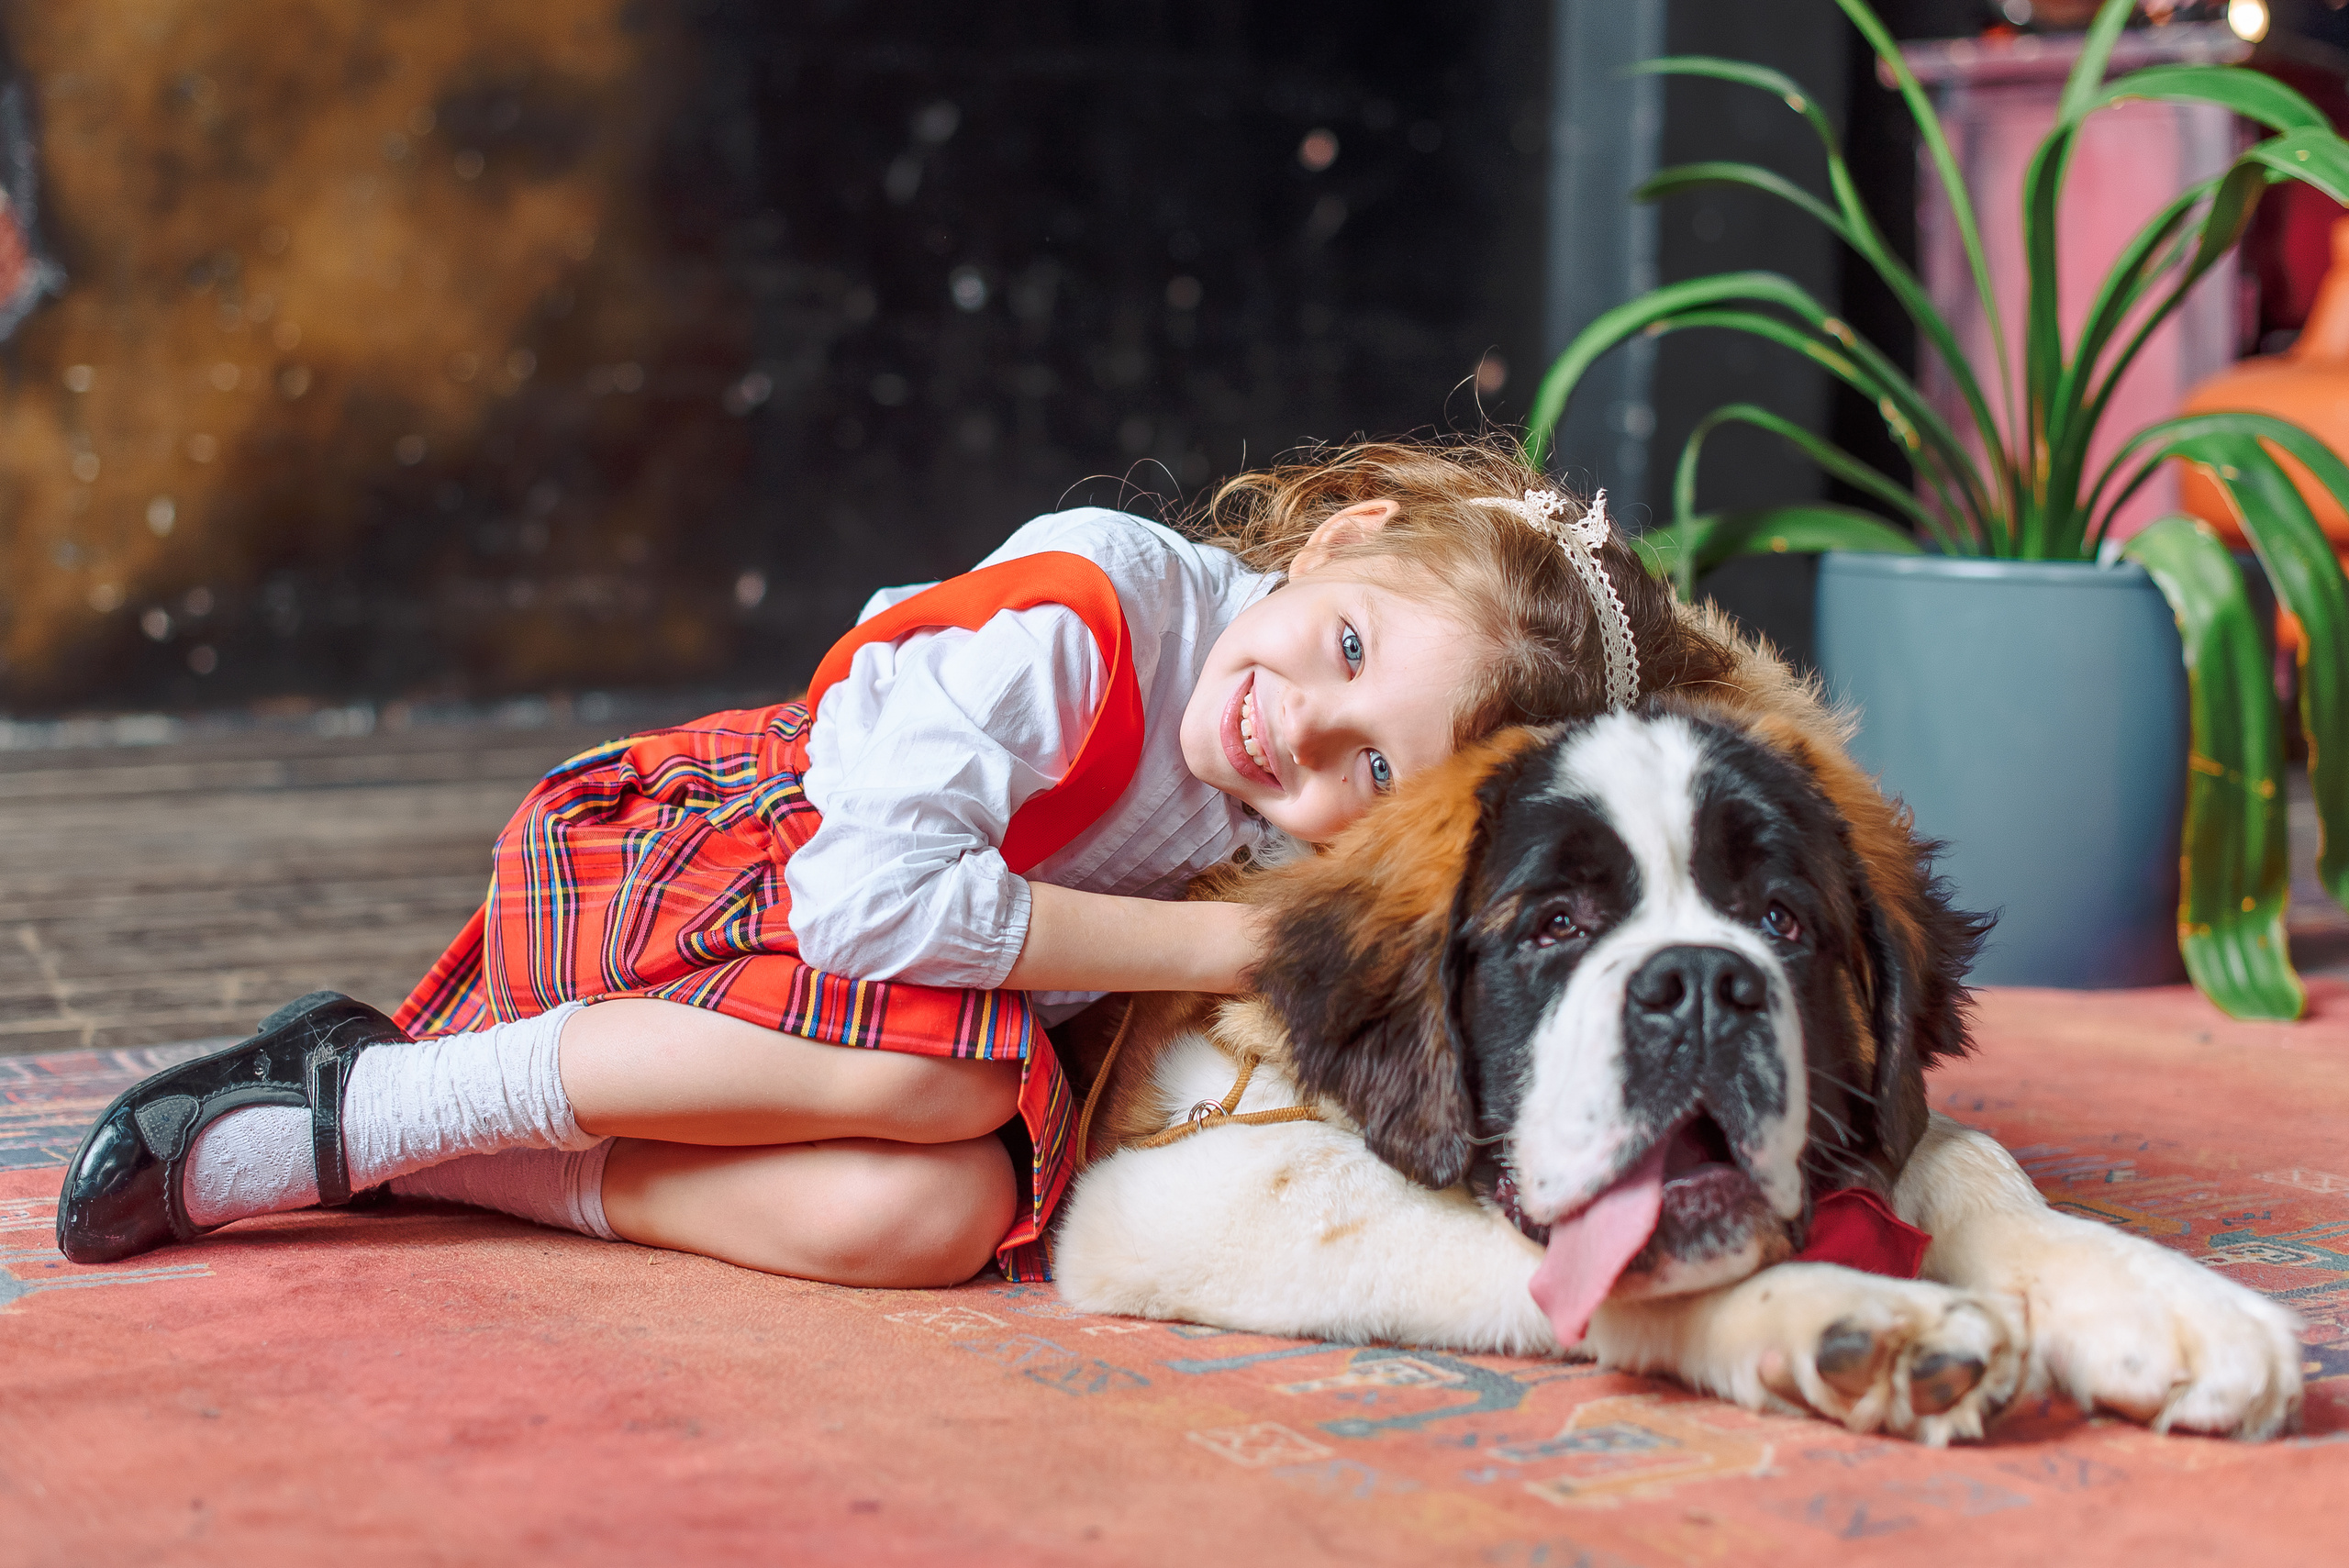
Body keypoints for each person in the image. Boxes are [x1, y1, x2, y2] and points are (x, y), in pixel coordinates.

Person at [58, 437, 1731, 1288]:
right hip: (694, 878)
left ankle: (412, 1147)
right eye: (1348, 643)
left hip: (836, 1047)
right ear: (1341, 532)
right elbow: (865, 903)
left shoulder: (1271, 803)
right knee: (947, 1088)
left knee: (937, 1211)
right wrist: (1220, 959)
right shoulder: (1095, 610)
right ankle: (374, 1104)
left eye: (1375, 766)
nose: (1303, 731)